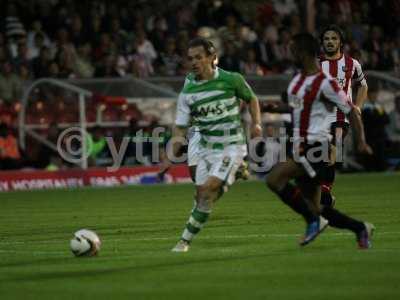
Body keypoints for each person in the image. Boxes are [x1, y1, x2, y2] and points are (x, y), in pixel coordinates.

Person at [266, 33, 374, 248]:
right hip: (299, 146)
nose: (289, 54)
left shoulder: (326, 83)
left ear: (303, 52)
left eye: (293, 50)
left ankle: (313, 222)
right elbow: (296, 107)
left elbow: (351, 111)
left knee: (274, 179)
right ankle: (360, 228)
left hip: (317, 147)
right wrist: (272, 108)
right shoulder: (297, 81)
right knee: (317, 207)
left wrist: (361, 140)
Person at [160, 37, 261, 252]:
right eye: (190, 59)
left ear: (212, 58)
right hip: (204, 144)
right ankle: (186, 241)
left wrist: (257, 125)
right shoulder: (188, 91)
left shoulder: (231, 79)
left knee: (208, 189)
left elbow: (251, 98)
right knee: (201, 196)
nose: (194, 62)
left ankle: (182, 242)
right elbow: (180, 127)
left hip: (231, 147)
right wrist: (170, 156)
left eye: (198, 57)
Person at [319, 24, 368, 205]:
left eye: (334, 38)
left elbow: (363, 85)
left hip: (341, 115)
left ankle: (324, 195)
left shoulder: (352, 64)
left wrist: (358, 107)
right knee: (321, 156)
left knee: (332, 148)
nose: (330, 42)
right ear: (322, 43)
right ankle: (324, 194)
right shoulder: (317, 64)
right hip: (319, 117)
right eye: (326, 39)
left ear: (340, 42)